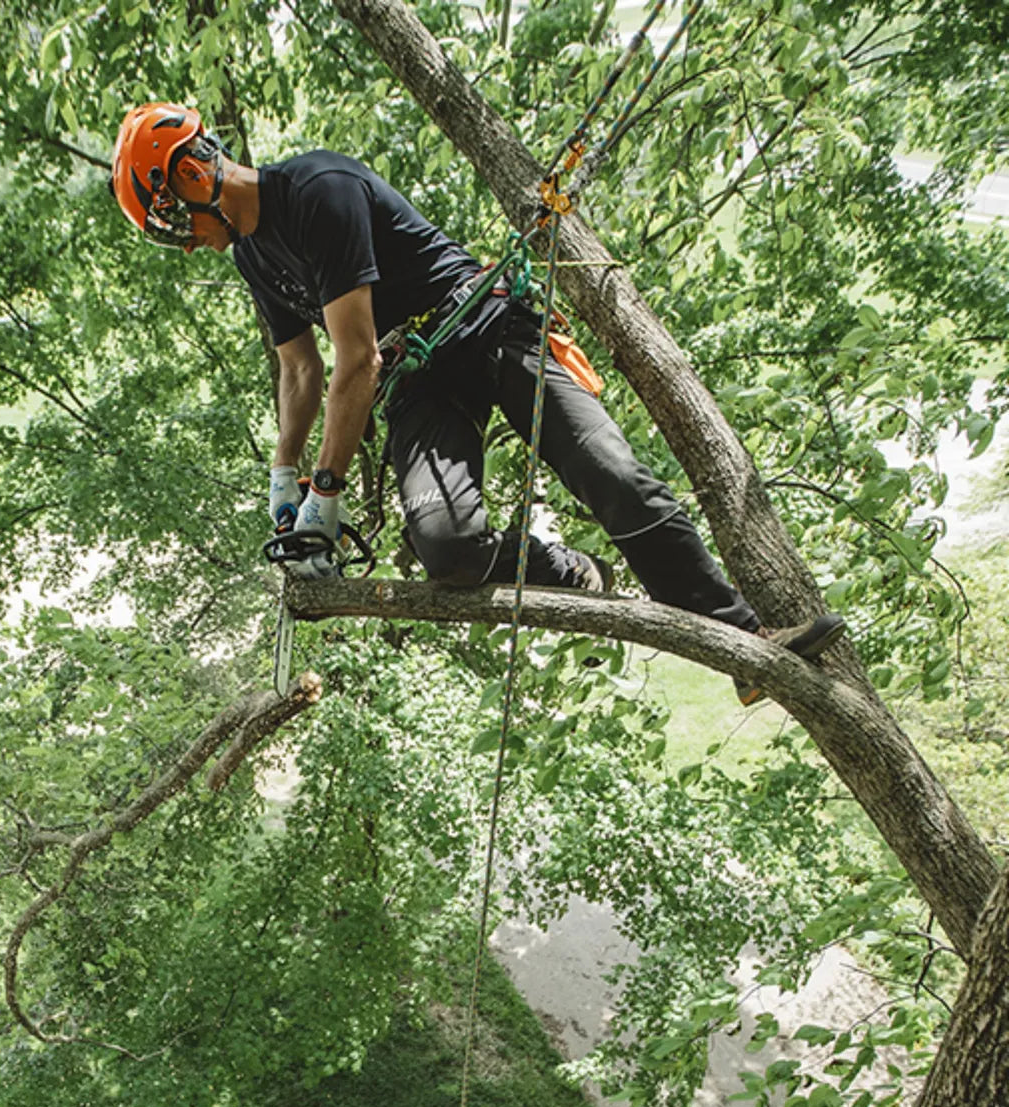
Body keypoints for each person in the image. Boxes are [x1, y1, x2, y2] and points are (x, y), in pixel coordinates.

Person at [109, 102, 844, 704]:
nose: (189, 245)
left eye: (177, 223)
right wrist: (284, 476)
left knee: (610, 475)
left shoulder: (318, 193)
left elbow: (352, 361)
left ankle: (745, 643)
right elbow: (299, 369)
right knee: (448, 550)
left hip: (485, 325)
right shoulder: (250, 253)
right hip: (421, 376)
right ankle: (562, 569)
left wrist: (326, 492)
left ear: (196, 172)